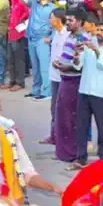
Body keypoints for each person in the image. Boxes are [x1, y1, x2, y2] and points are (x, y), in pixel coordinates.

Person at [74, 20, 103, 168]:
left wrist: (96, 50)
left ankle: (102, 158)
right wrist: (77, 54)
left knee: (102, 127)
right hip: (84, 90)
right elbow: (77, 65)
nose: (99, 32)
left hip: (101, 94)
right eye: (98, 29)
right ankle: (81, 157)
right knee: (81, 126)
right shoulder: (89, 45)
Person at [53, 8, 87, 163]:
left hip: (73, 81)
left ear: (79, 22)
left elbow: (79, 64)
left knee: (70, 119)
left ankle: (71, 152)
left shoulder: (82, 39)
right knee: (63, 117)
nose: (67, 23)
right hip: (65, 79)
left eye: (71, 20)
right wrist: (59, 63)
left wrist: (64, 67)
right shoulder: (71, 36)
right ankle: (65, 151)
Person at [41, 8, 68, 145]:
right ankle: (54, 135)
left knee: (62, 108)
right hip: (54, 76)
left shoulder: (66, 34)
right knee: (54, 107)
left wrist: (61, 63)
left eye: (51, 18)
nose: (50, 20)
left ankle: (62, 136)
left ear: (58, 19)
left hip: (64, 76)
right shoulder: (56, 34)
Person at [27, 0, 55, 100]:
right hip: (32, 39)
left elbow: (57, 24)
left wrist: (51, 37)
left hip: (43, 40)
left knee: (44, 67)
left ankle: (46, 92)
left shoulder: (53, 8)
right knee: (35, 67)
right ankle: (36, 90)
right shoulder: (34, 4)